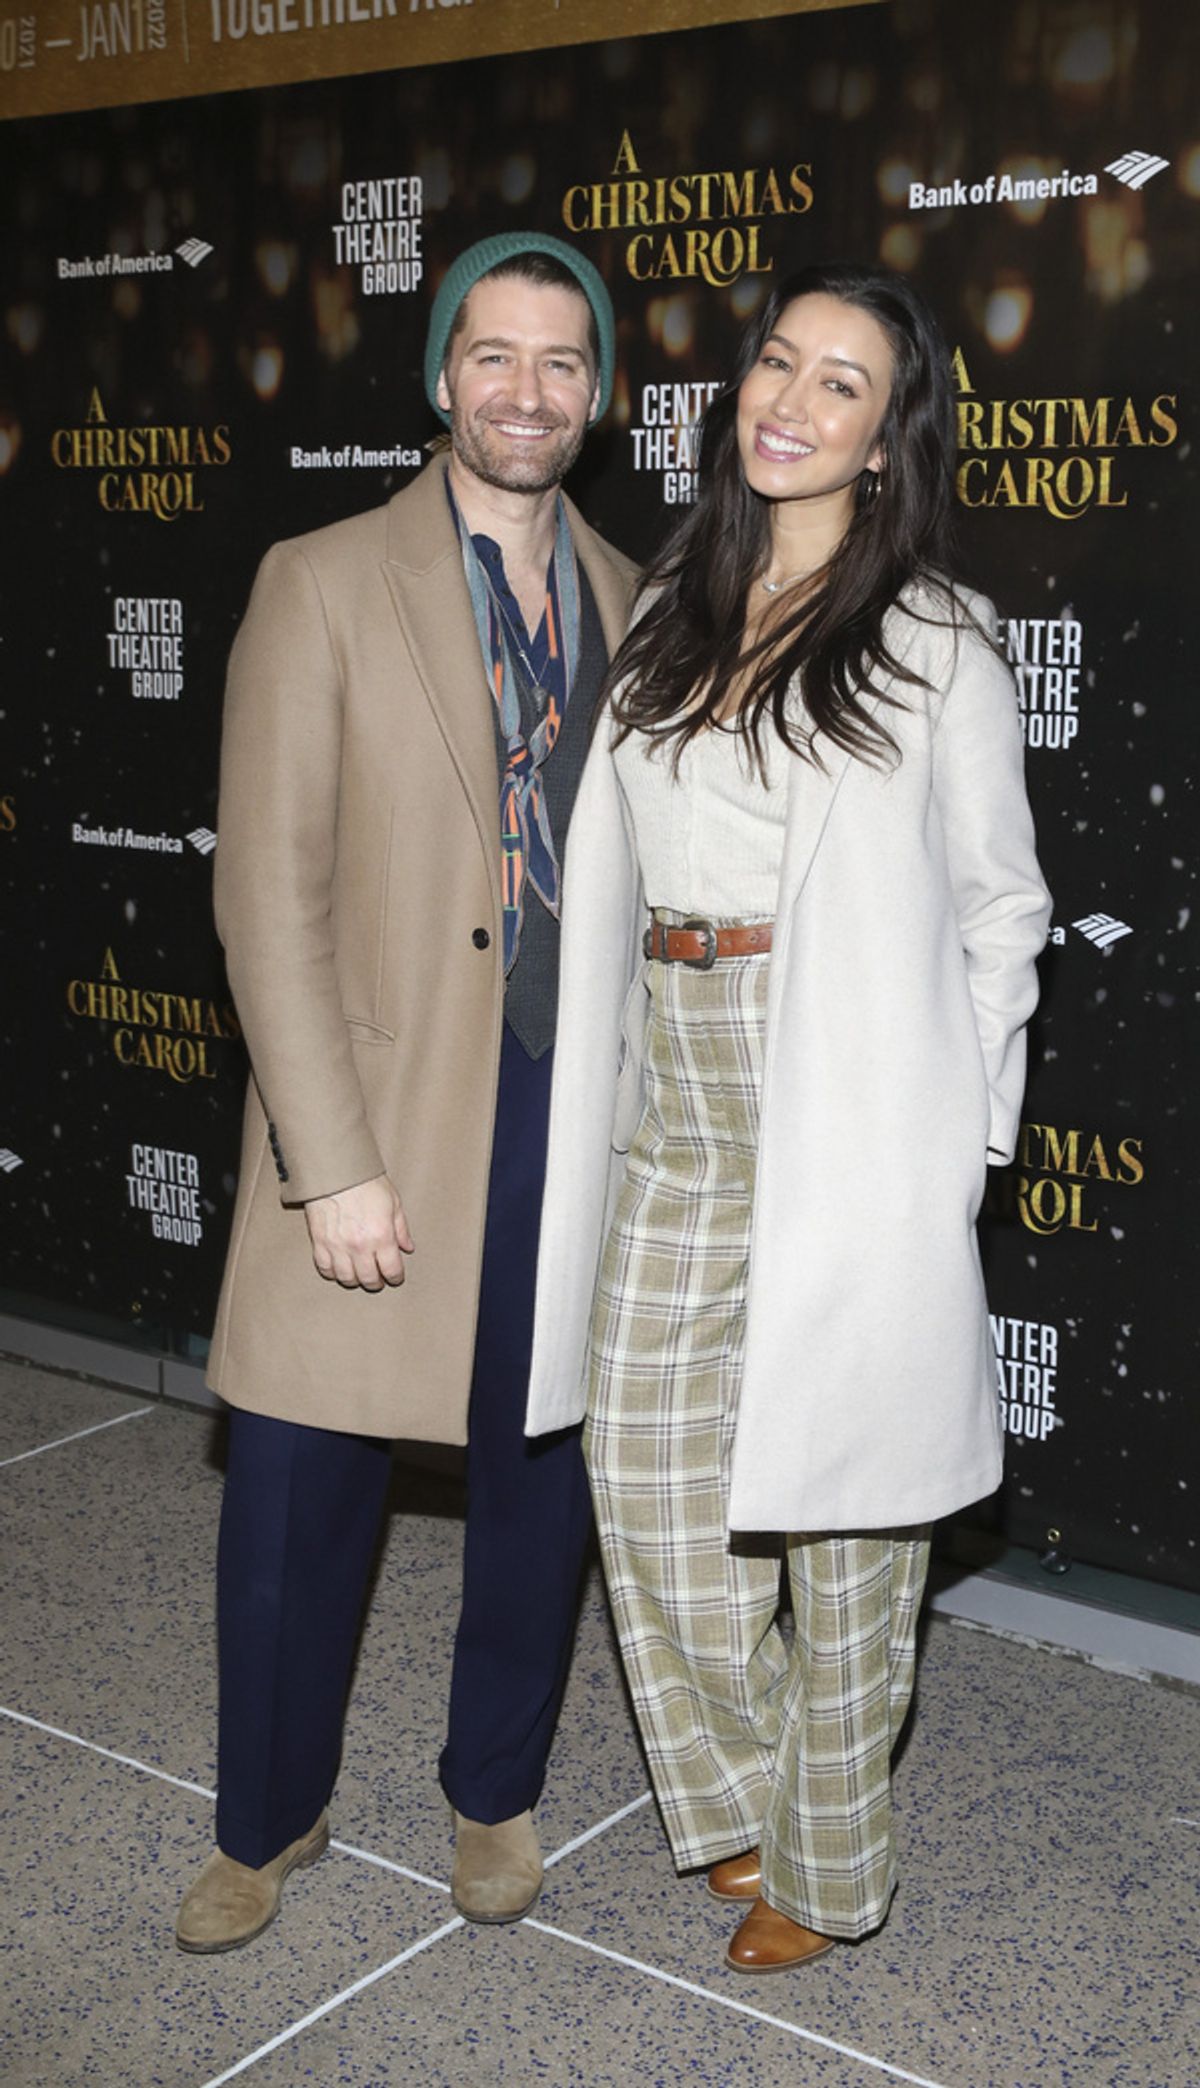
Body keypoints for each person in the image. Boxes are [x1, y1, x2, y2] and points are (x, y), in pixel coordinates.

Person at [525, 263, 1051, 1974]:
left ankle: (829, 1858)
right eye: (777, 362)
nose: (791, 400)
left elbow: (1001, 912)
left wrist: (961, 1139)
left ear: (885, 444)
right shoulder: (676, 599)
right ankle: (744, 1786)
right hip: (670, 1063)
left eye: (842, 385)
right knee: (653, 1473)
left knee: (851, 1521)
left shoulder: (936, 642)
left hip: (846, 1083)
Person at [175, 233, 637, 1953]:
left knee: (539, 1483)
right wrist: (328, 1162)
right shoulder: (322, 578)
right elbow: (264, 892)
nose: (526, 391)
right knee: (297, 1482)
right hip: (370, 1111)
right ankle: (263, 1819)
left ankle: (494, 1793)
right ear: (444, 376)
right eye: (494, 357)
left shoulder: (633, 597)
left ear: (596, 398)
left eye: (562, 362)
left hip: (560, 1110)